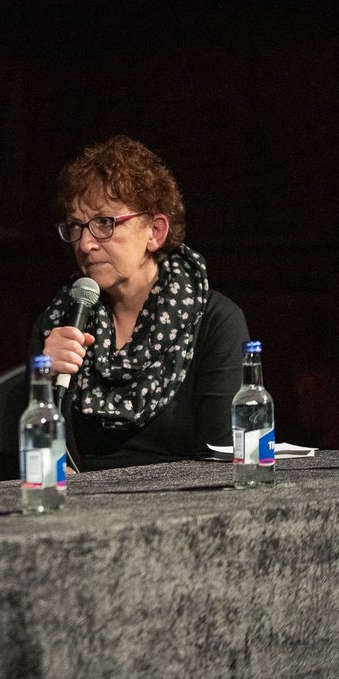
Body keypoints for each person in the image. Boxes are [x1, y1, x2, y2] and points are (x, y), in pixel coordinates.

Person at [29, 135, 249, 470]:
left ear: (156, 231)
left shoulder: (215, 322)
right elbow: (43, 462)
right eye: (76, 226)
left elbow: (222, 457)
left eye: (105, 223)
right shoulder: (60, 323)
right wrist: (44, 378)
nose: (85, 244)